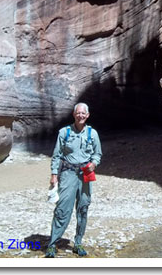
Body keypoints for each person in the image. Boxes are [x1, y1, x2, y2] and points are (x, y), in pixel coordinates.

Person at [45, 102, 102, 258]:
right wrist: (54, 175)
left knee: (83, 208)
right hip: (68, 173)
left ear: (87, 115)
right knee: (62, 209)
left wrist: (94, 163)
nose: (80, 115)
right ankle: (52, 244)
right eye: (78, 113)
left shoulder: (93, 134)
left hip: (86, 174)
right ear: (74, 114)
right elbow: (57, 155)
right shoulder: (64, 132)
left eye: (83, 113)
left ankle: (78, 243)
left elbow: (97, 154)